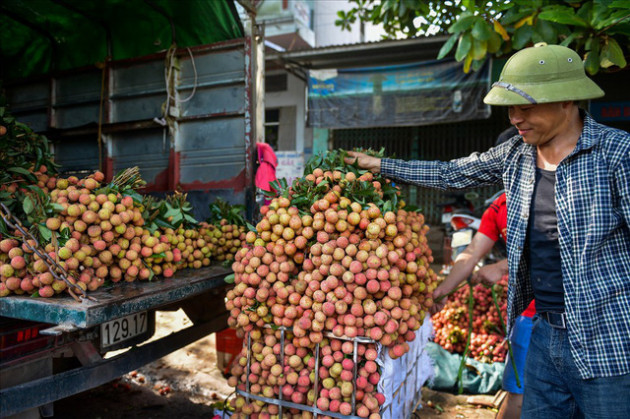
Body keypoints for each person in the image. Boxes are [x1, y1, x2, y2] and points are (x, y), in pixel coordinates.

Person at [346, 43, 630, 418]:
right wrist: (378, 164)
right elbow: (449, 172)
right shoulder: (516, 155)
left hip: (607, 339)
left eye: (525, 107)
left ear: (566, 101)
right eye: (510, 108)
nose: (515, 117)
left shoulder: (617, 154)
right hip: (543, 333)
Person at [431, 191, 536, 419]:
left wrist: (501, 266)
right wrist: (444, 289)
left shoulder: (557, 192)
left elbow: (564, 248)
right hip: (527, 315)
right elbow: (471, 253)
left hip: (573, 316)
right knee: (518, 391)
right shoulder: (499, 207)